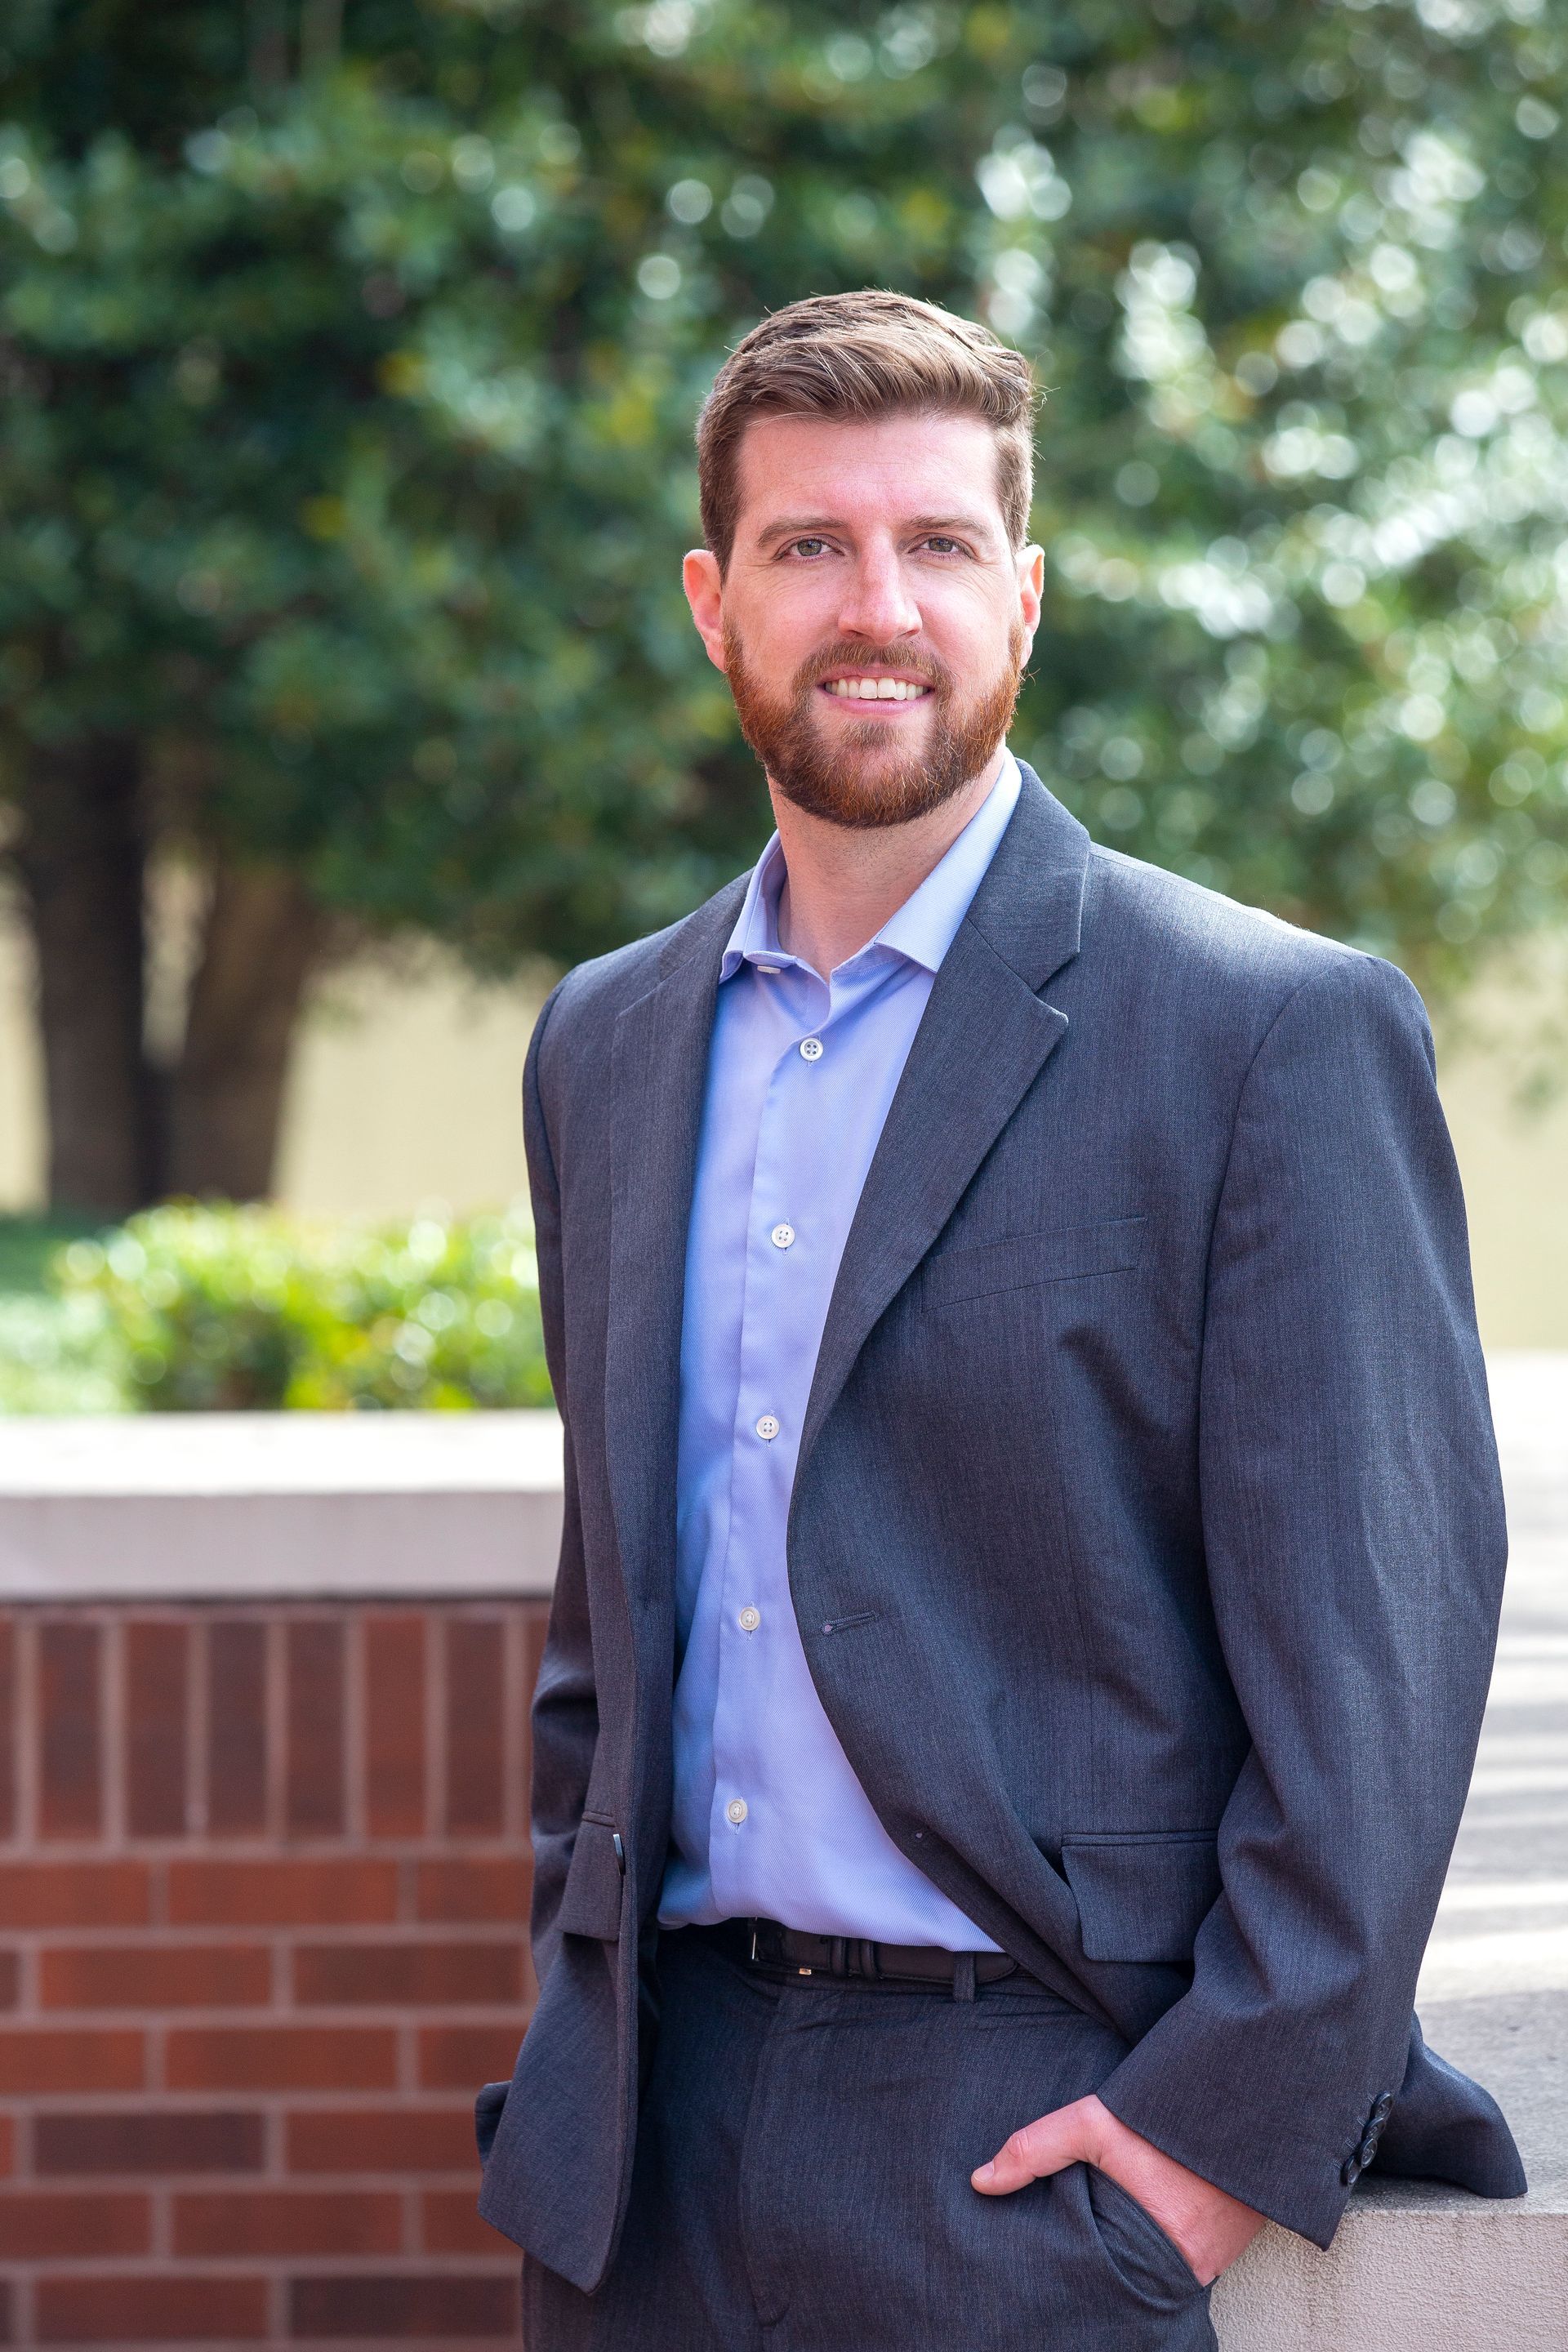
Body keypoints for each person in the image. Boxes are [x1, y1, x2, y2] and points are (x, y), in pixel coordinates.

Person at [474, 289, 1524, 2350]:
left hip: (1032, 2130)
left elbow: (1381, 1653)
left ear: (1024, 600)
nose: (881, 606)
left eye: (938, 545)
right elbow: (611, 1607)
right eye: (810, 546)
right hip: (644, 2160)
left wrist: (1212, 2140)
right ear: (713, 602)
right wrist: (574, 1999)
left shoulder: (1263, 1036)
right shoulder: (601, 1047)